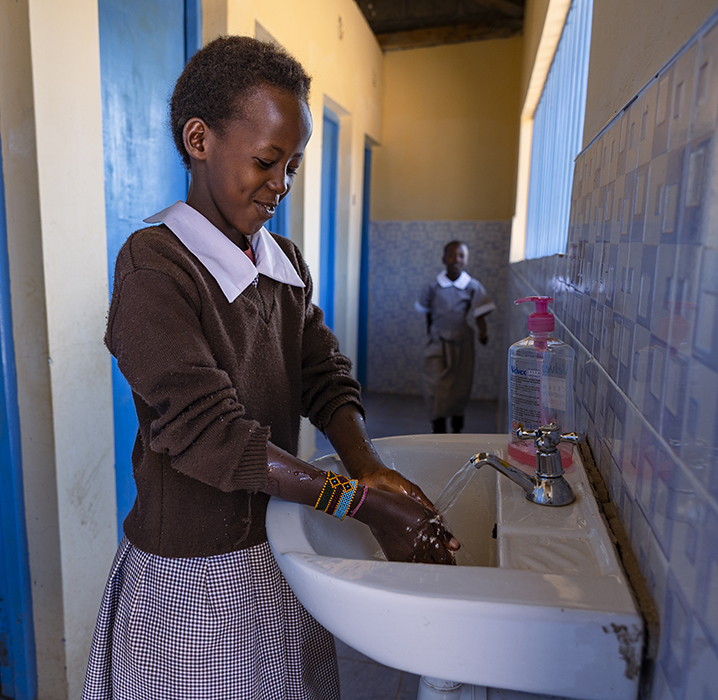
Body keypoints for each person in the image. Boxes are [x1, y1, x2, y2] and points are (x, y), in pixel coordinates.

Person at [81, 36, 459, 700]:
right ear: (199, 139)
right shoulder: (154, 267)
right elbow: (209, 433)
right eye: (266, 161)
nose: (280, 186)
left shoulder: (279, 261)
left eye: (293, 166)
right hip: (195, 573)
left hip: (279, 544)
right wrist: (355, 502)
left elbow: (323, 371)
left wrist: (364, 462)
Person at [416, 241, 495, 434]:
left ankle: (457, 424)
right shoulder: (433, 286)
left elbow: (479, 313)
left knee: (460, 384)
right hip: (437, 341)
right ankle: (438, 424)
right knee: (435, 383)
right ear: (444, 259)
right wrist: (431, 332)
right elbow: (427, 312)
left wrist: (483, 332)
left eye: (461, 255)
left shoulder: (471, 286)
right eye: (451, 255)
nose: (456, 259)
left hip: (462, 342)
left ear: (466, 260)